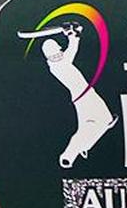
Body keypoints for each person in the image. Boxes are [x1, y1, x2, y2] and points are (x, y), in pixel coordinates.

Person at [40, 24, 118, 168]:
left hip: (83, 95)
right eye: (55, 54)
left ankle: (80, 149)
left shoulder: (60, 62)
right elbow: (71, 51)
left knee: (99, 123)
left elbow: (71, 51)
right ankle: (68, 156)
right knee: (101, 121)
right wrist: (72, 34)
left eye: (58, 52)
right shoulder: (57, 66)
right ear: (50, 56)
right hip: (84, 96)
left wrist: (74, 35)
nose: (58, 54)